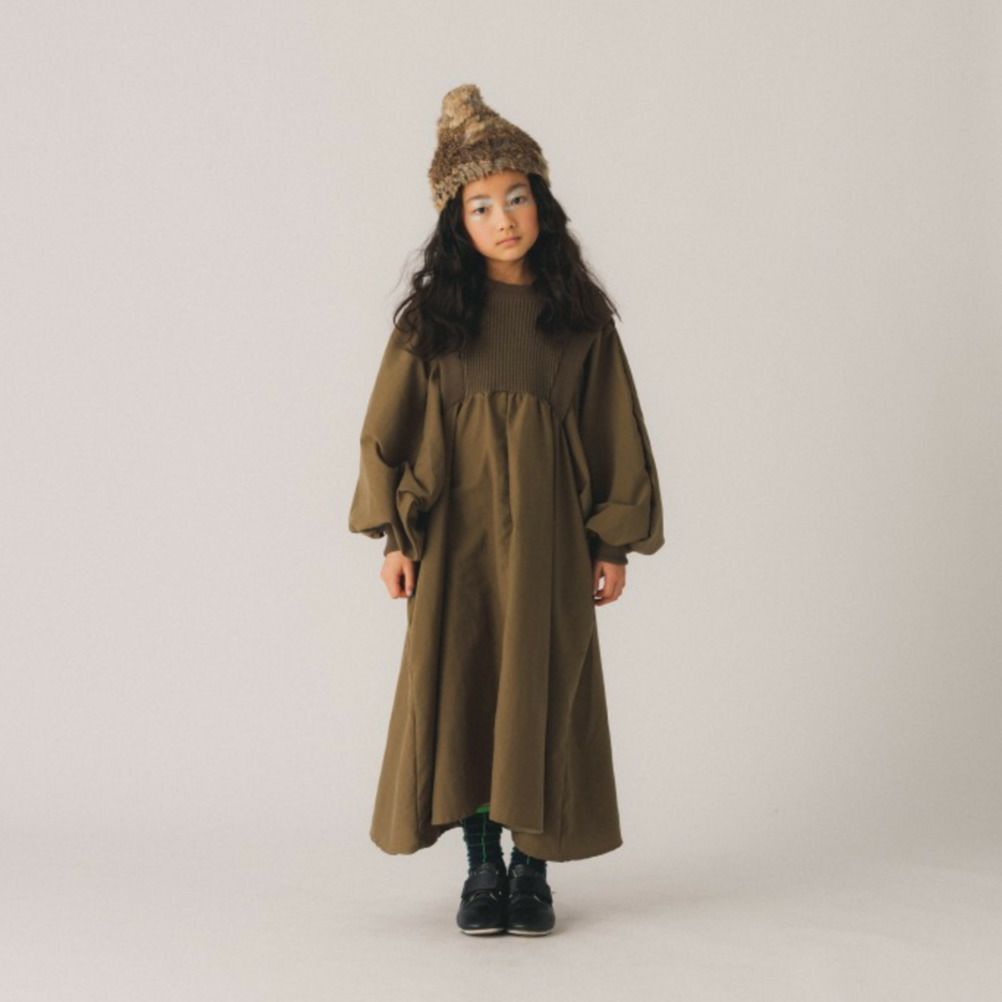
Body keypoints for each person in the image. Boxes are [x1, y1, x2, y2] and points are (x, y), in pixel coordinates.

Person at [348, 84, 666, 936]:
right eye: (480, 205)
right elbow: (386, 428)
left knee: (540, 689)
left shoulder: (578, 321)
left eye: (516, 197)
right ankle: (481, 866)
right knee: (467, 690)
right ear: (457, 221)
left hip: (551, 544)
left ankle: (533, 870)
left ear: (541, 203)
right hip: (454, 542)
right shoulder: (434, 323)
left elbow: (614, 430)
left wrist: (612, 544)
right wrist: (393, 540)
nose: (503, 218)